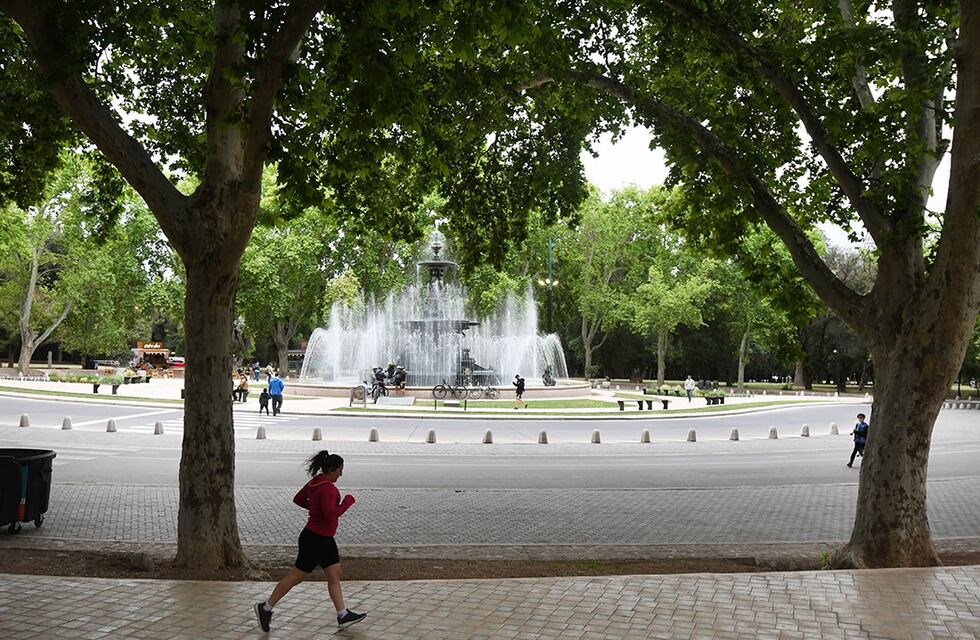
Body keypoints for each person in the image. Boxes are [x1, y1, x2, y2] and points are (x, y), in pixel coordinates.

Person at [254, 450, 366, 632]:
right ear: (332, 469)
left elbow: (298, 499)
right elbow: (330, 515)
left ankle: (343, 614)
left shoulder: (315, 482)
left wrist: (315, 508)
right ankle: (265, 607)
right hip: (315, 539)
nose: (341, 474)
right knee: (297, 576)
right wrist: (347, 502)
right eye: (340, 470)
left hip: (324, 538)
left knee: (334, 573)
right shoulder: (329, 488)